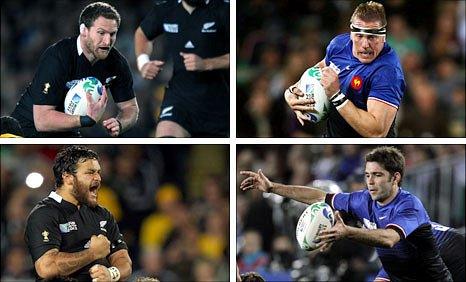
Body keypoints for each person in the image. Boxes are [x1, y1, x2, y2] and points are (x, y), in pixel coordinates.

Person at [240, 146, 465, 281]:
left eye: (377, 175)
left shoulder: (409, 205)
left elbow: (388, 239)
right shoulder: (362, 199)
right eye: (367, 175)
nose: (370, 182)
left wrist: (347, 232)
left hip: (454, 254)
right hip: (404, 262)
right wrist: (273, 188)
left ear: (395, 178)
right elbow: (318, 196)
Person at [11, 2, 139, 137]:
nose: (107, 41)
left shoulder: (117, 63)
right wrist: (85, 120)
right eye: (101, 33)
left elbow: (130, 108)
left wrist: (120, 123)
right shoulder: (58, 56)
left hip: (66, 132)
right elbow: (41, 120)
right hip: (24, 130)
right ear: (84, 30)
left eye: (112, 34)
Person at [284, 1, 405, 137]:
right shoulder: (339, 45)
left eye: (372, 37)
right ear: (352, 34)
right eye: (359, 36)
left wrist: (336, 95)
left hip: (365, 148)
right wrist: (291, 92)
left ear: (384, 37)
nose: (365, 44)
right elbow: (317, 70)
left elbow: (377, 132)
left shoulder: (387, 71)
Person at [24, 145, 132, 281]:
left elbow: (123, 259)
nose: (98, 178)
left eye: (98, 172)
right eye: (90, 172)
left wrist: (112, 273)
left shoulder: (102, 214)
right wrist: (92, 253)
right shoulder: (44, 214)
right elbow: (46, 268)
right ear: (68, 178)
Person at [134, 0, 229, 137]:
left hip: (219, 102)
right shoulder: (166, 9)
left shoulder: (225, 10)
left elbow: (237, 55)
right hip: (179, 98)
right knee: (166, 134)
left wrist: (206, 63)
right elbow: (142, 34)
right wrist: (143, 62)